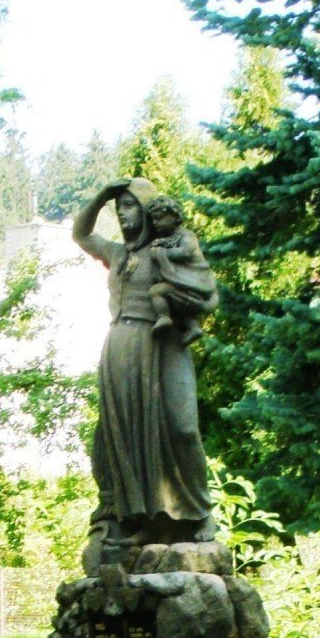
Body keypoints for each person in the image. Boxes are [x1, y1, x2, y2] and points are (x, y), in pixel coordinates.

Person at [68, 177, 220, 560]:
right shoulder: (117, 254)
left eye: (130, 205)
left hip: (162, 343)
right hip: (120, 346)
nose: (122, 213)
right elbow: (80, 232)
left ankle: (199, 515)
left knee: (181, 426)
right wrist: (103, 193)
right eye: (119, 208)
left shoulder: (169, 247)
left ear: (148, 210)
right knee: (128, 438)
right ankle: (143, 522)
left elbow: (204, 290)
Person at [142, 195, 211, 340]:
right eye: (153, 220)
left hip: (193, 282)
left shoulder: (187, 235)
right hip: (184, 283)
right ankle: (193, 328)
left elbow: (185, 253)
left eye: (159, 218)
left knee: (156, 291)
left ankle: (164, 317)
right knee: (178, 306)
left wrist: (160, 253)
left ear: (174, 216)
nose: (155, 223)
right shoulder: (169, 238)